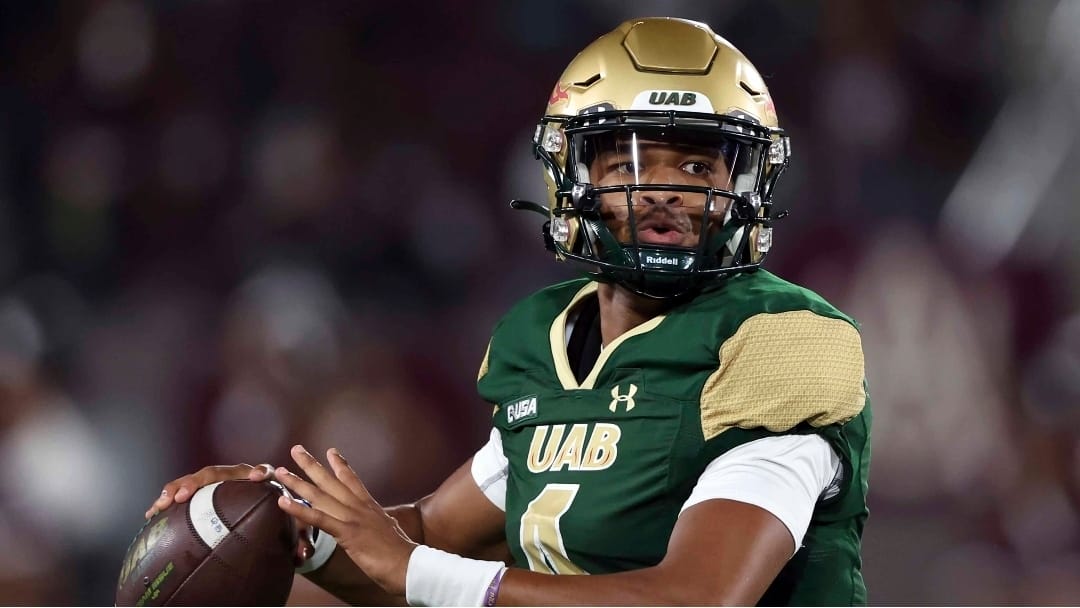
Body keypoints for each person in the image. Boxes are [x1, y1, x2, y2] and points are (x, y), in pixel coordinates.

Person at [147, 17, 871, 606]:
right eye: (628, 166)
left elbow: (695, 600)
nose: (666, 192)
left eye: (697, 166)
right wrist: (287, 518)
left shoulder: (775, 343)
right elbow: (429, 534)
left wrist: (414, 570)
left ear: (746, 184)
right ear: (569, 179)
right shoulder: (541, 339)